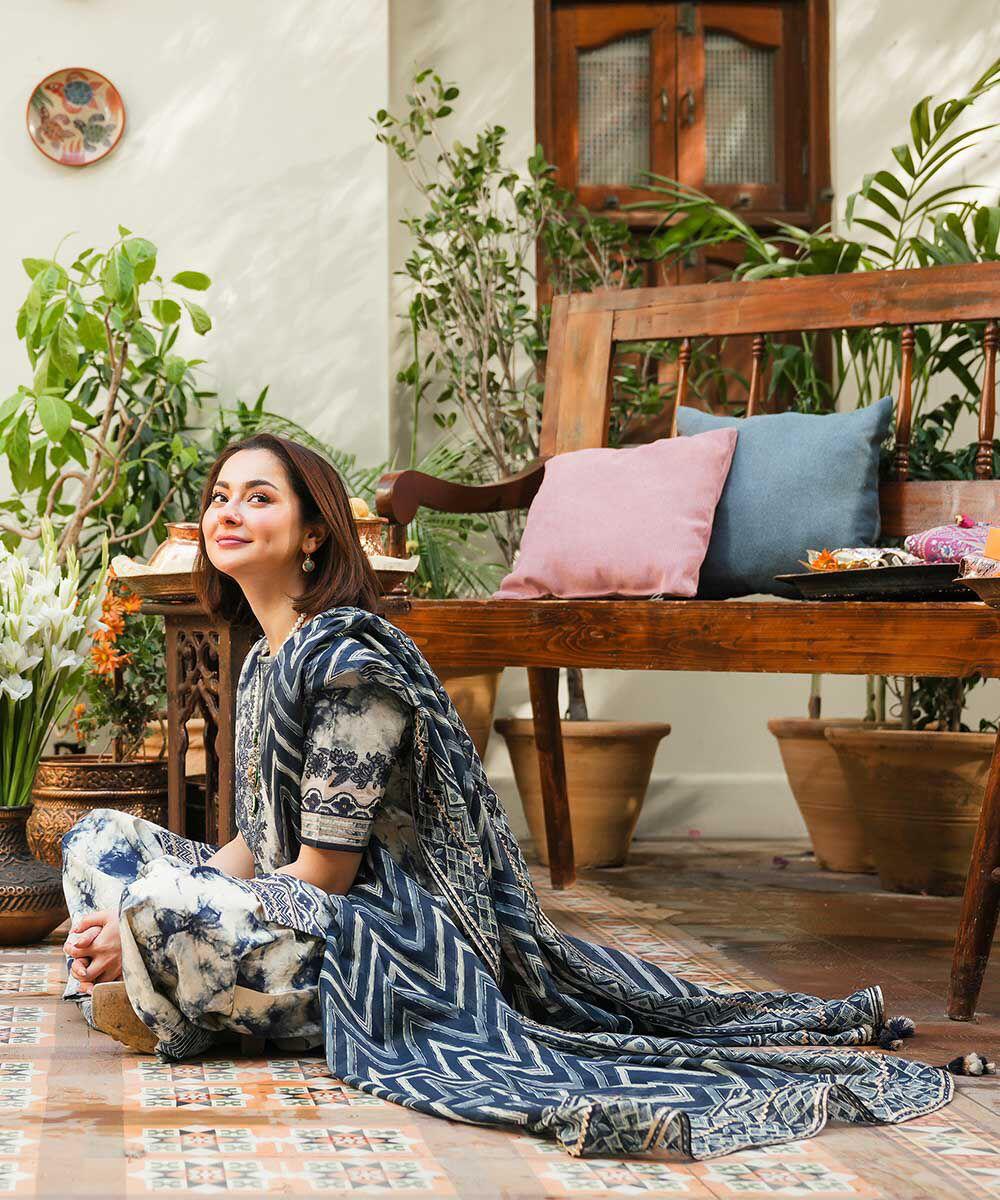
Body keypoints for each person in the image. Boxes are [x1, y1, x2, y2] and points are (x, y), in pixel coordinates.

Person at [61, 432, 984, 1159]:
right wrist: (148, 896)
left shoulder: (348, 667)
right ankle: (150, 976)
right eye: (220, 496)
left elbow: (322, 878)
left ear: (314, 532)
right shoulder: (267, 661)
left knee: (159, 916)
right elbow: (255, 847)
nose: (228, 510)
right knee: (92, 839)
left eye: (258, 496)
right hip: (295, 901)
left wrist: (157, 912)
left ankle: (156, 980)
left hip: (386, 940)